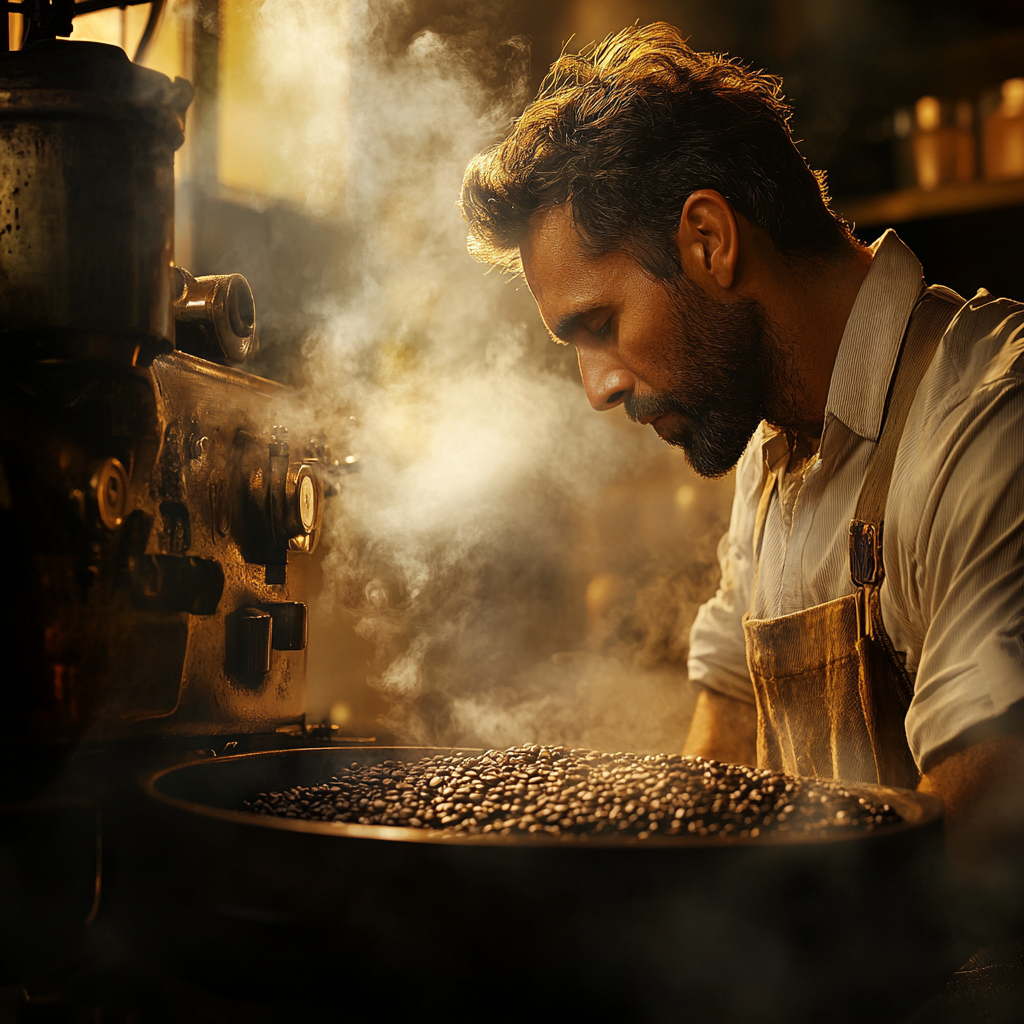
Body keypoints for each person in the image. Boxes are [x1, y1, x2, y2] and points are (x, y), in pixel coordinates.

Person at [460, 22, 1023, 933]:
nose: (597, 387)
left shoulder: (990, 427)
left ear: (710, 240)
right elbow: (725, 730)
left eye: (598, 323)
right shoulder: (771, 442)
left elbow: (984, 832)